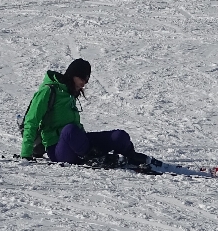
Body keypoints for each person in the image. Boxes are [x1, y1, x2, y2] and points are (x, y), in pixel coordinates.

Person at [19, 59, 148, 167]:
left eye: (86, 80)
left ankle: (130, 156)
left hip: (79, 143)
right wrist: (26, 154)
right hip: (58, 149)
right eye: (82, 78)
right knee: (69, 130)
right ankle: (93, 158)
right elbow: (32, 120)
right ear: (72, 75)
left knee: (119, 136)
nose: (83, 83)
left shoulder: (70, 94)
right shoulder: (48, 91)